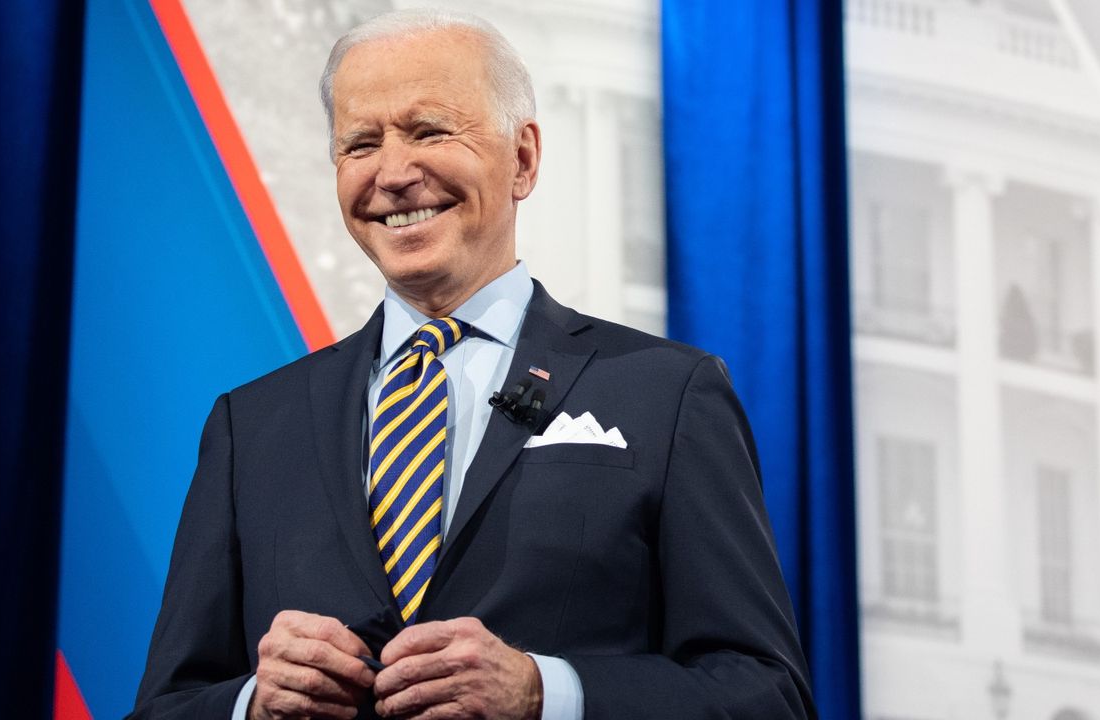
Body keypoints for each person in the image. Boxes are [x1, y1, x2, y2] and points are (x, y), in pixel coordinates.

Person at [130, 9, 814, 720]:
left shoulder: (668, 394)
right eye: (361, 144)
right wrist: (249, 704)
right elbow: (163, 706)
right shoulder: (251, 424)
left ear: (522, 159)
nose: (393, 174)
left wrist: (544, 694)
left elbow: (766, 695)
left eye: (429, 131)